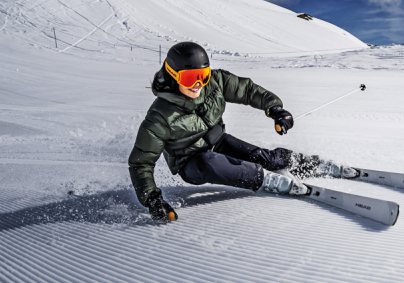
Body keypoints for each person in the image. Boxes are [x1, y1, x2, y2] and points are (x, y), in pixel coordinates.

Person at [129, 41, 310, 222]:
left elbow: (246, 90)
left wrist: (274, 108)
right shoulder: (159, 116)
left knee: (265, 157)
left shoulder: (215, 82)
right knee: (209, 162)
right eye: (189, 78)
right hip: (190, 162)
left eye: (203, 75)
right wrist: (152, 198)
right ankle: (267, 180)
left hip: (218, 141)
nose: (198, 84)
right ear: (173, 75)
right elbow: (141, 163)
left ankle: (308, 163)